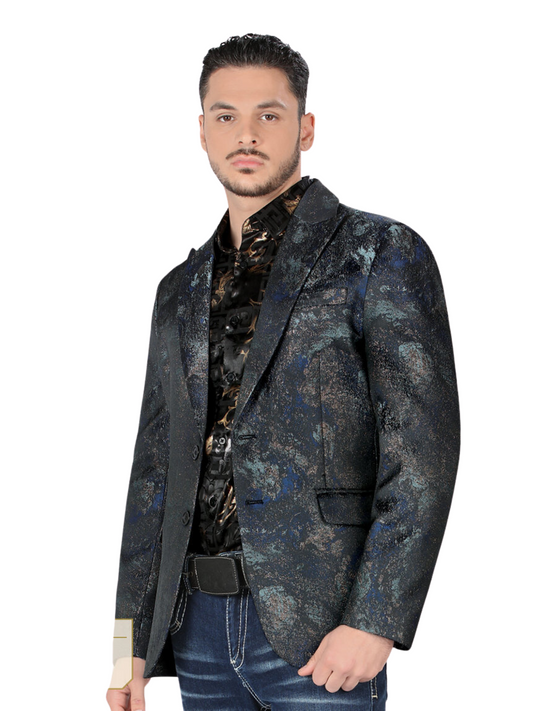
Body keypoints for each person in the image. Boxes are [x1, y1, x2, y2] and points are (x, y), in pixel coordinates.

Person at [106, 33, 460, 711]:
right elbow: (153, 477)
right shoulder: (177, 290)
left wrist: (375, 619)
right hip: (197, 632)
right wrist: (128, 651)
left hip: (322, 633)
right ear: (202, 132)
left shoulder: (378, 252)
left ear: (305, 127)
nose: (246, 134)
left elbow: (423, 452)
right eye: (226, 116)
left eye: (268, 114)